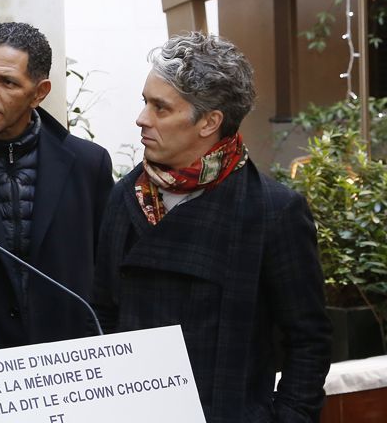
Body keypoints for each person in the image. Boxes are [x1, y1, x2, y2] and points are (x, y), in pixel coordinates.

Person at [93, 32, 331, 423]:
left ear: (209, 122)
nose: (141, 119)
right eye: (145, 102)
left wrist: (286, 417)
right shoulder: (126, 196)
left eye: (160, 108)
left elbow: (309, 340)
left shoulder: (273, 211)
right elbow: (101, 313)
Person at [0, 22, 112, 350]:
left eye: (7, 82)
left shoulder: (88, 165)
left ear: (39, 93)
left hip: (69, 362)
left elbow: (107, 278)